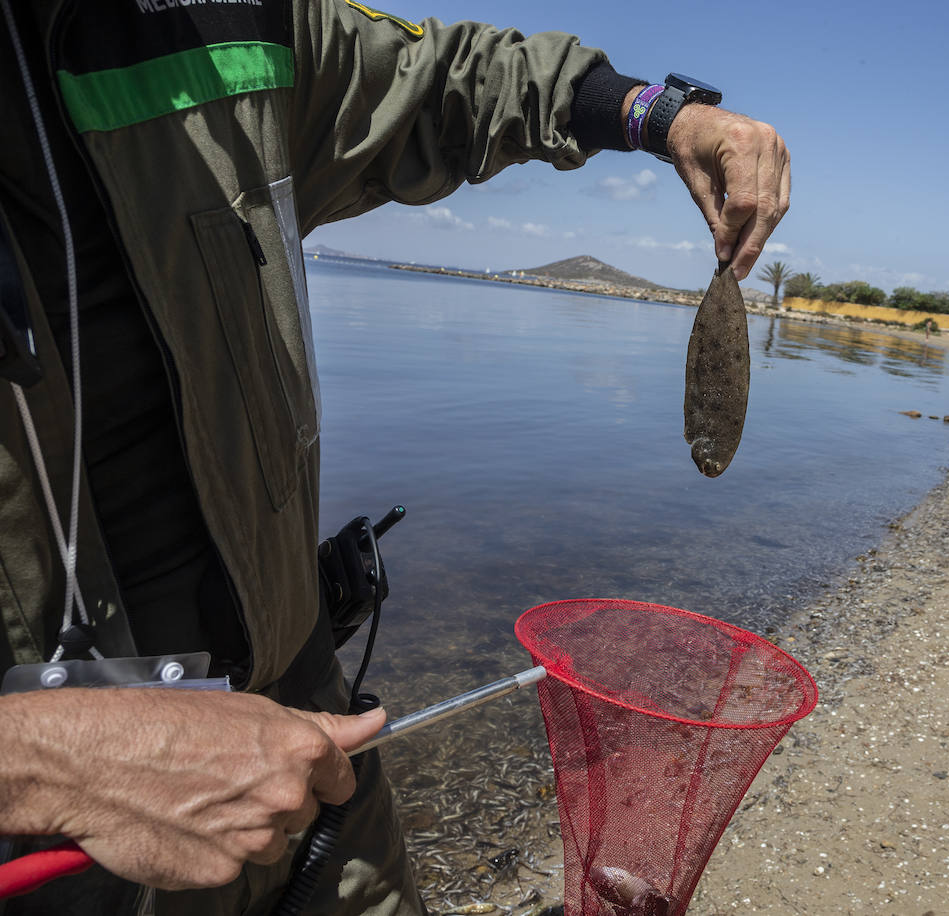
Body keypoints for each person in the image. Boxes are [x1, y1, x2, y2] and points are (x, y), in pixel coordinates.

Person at [0, 2, 789, 914]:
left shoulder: (215, 24)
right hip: (66, 838)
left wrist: (662, 115)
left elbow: (448, 78)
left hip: (308, 733)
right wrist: (46, 760)